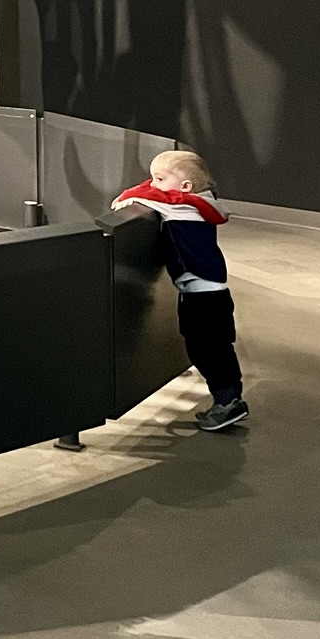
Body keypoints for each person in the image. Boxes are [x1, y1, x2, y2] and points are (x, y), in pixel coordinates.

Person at [112, 150, 247, 431]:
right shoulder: (199, 200)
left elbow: (156, 196)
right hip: (209, 293)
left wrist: (127, 198)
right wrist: (151, 184)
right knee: (215, 348)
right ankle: (229, 398)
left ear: (185, 187)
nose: (153, 184)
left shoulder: (181, 206)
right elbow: (157, 191)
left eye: (160, 178)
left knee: (206, 349)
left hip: (202, 296)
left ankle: (228, 402)